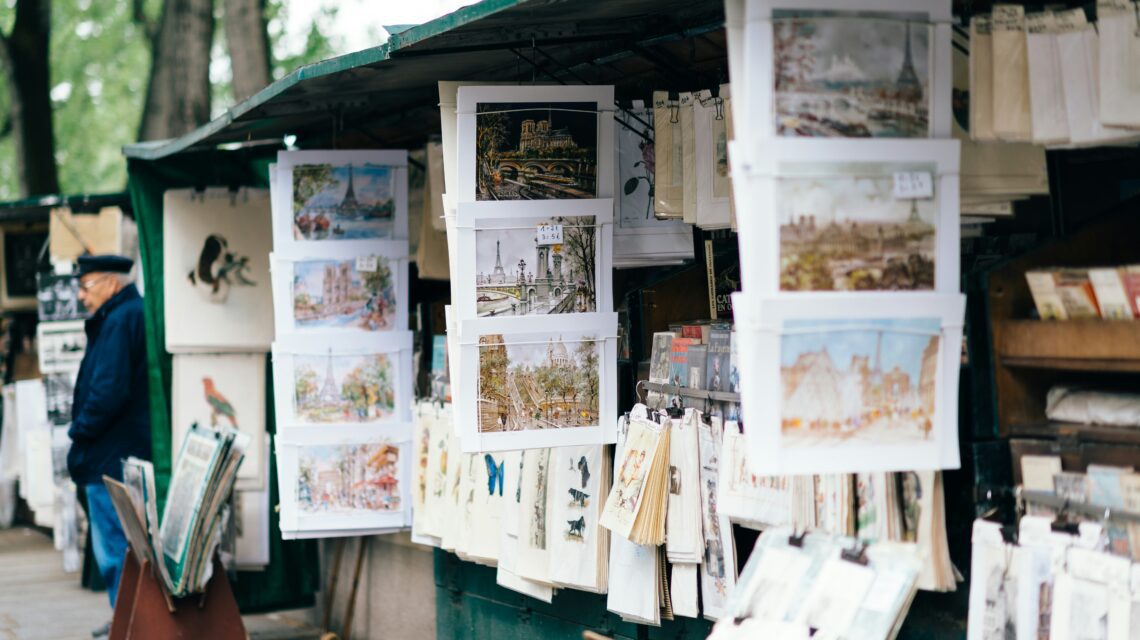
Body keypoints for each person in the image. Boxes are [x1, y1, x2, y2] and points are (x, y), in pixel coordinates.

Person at [67, 255, 151, 638]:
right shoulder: (126, 314)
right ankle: (125, 618)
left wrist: (80, 431)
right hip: (120, 451)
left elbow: (108, 390)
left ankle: (127, 621)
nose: (82, 296)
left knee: (115, 546)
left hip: (110, 454)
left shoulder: (119, 319)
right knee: (122, 543)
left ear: (110, 283)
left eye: (86, 286)